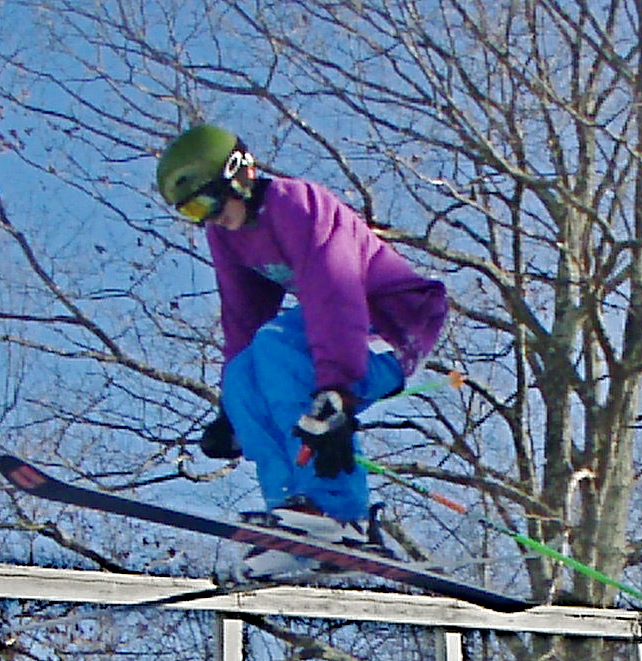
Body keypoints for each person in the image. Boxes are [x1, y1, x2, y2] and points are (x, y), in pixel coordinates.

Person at [156, 123, 448, 577]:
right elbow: (241, 316)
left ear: (239, 175)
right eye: (193, 212)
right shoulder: (227, 236)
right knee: (245, 372)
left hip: (392, 321)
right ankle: (293, 518)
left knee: (277, 348)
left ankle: (342, 515)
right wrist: (233, 411)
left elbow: (334, 292)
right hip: (338, 331)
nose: (209, 218)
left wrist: (336, 389)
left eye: (207, 202)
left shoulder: (298, 206)